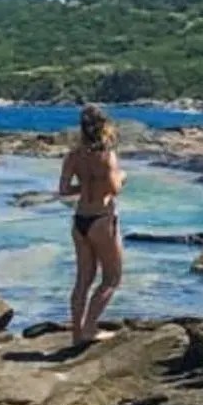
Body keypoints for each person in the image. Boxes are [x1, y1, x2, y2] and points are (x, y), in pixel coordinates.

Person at [58, 104, 125, 345]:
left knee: (83, 280)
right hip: (101, 219)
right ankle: (90, 328)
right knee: (111, 278)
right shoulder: (106, 155)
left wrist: (84, 186)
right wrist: (122, 176)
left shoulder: (73, 156)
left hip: (80, 220)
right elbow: (114, 188)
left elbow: (64, 190)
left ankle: (76, 333)